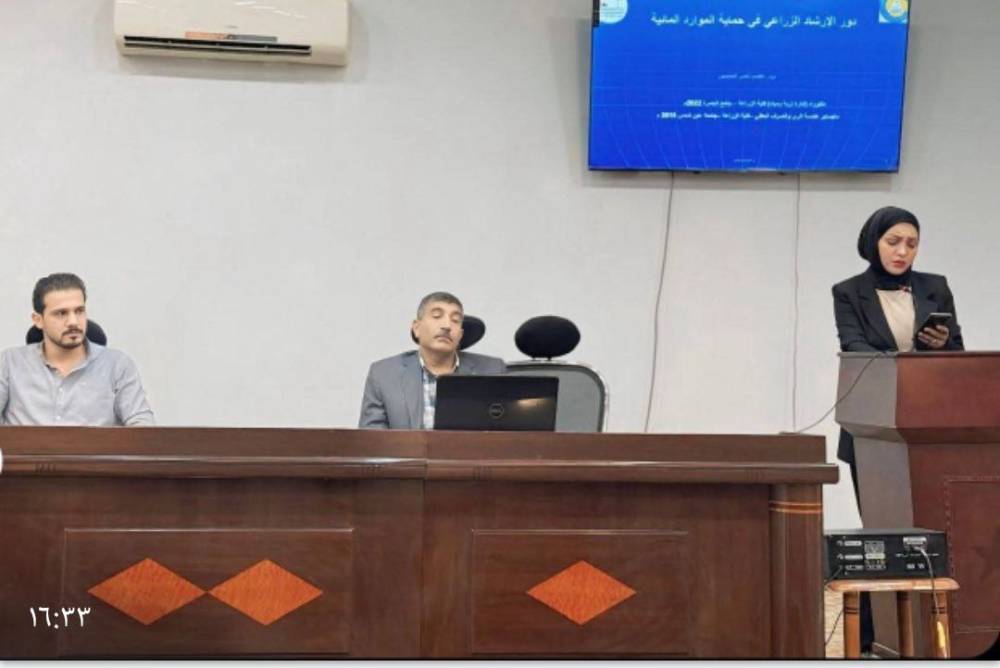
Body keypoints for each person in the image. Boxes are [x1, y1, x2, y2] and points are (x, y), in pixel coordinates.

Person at [831, 206, 963, 652]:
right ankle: (875, 637)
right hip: (873, 436)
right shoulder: (848, 292)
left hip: (927, 431)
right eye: (893, 242)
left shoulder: (935, 287)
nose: (903, 251)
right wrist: (910, 360)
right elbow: (855, 350)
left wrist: (940, 347)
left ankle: (935, 636)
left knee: (932, 533)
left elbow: (958, 353)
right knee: (880, 536)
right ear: (873, 242)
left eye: (911, 243)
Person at [0, 273, 155, 426]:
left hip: (96, 444)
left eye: (79, 311)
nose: (73, 322)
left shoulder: (117, 365)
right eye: (61, 313)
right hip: (23, 444)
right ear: (38, 320)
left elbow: (142, 425)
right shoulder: (9, 363)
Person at [359, 291, 505, 429]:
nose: (447, 326)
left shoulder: (492, 371)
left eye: (455, 320)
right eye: (436, 316)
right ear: (416, 328)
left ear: (460, 335)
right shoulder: (384, 374)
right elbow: (372, 439)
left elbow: (503, 432)